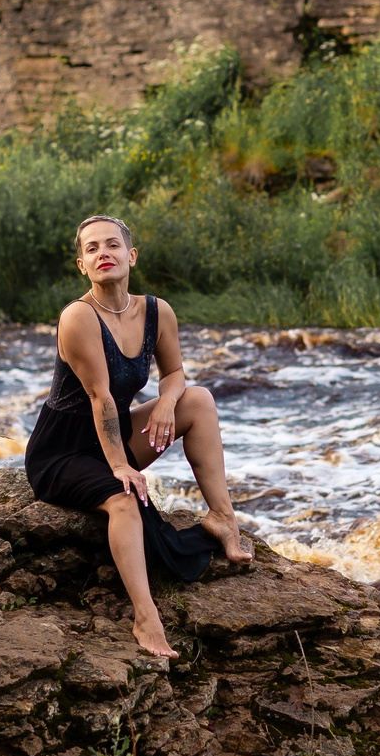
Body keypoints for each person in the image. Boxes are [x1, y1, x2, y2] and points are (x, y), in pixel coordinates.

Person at [24, 214, 251, 660]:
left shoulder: (156, 311)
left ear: (131, 256)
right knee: (124, 498)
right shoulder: (78, 317)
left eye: (111, 245)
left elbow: (176, 373)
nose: (102, 253)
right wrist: (120, 467)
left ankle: (223, 519)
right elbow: (100, 397)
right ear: (82, 266)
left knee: (199, 401)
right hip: (62, 450)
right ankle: (146, 617)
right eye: (92, 249)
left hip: (113, 432)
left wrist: (167, 402)